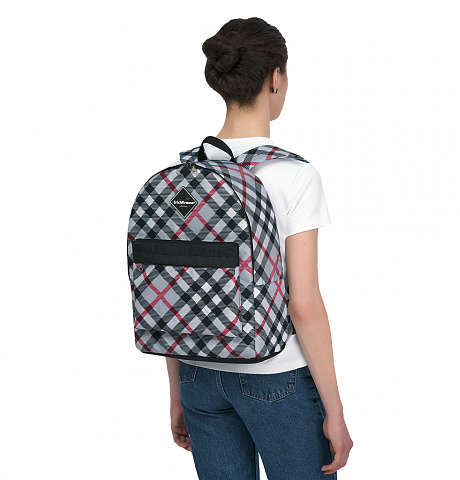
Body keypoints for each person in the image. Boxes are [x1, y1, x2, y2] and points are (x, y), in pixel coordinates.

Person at [165, 17, 353, 479]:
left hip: (197, 376)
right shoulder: (294, 176)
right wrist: (335, 410)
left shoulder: (183, 176)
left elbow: (173, 293)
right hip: (275, 375)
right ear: (275, 77)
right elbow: (303, 306)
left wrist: (177, 393)